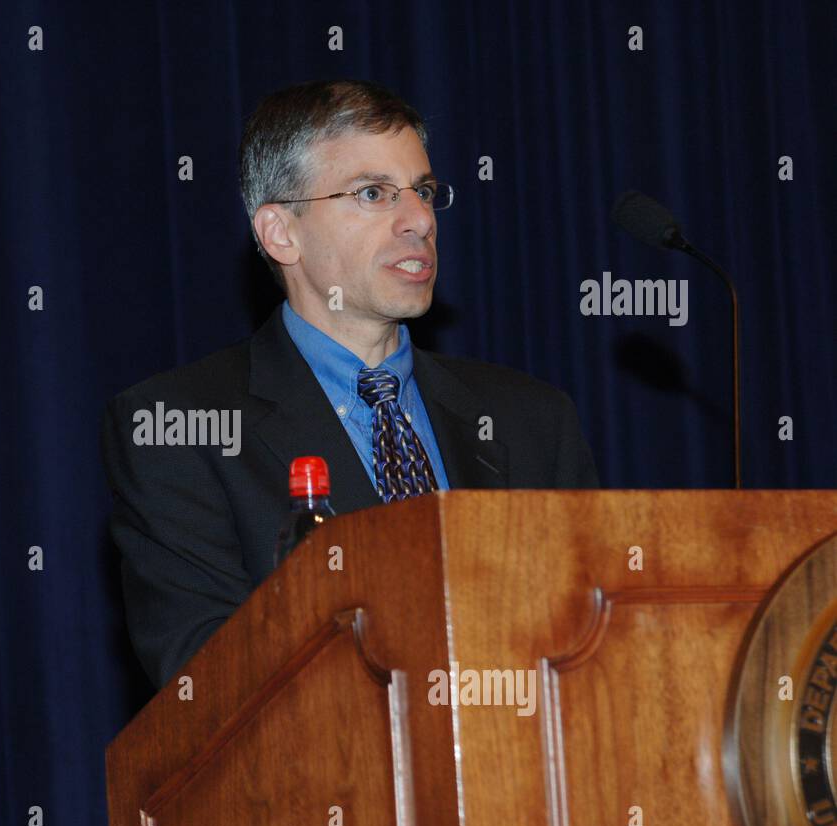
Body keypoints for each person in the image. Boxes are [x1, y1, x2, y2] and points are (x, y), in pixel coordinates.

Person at [101, 79, 599, 689]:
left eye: (423, 192)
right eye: (373, 193)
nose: (419, 219)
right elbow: (206, 683)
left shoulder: (532, 420)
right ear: (281, 233)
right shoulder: (178, 429)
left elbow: (591, 648)